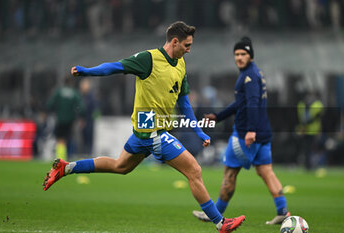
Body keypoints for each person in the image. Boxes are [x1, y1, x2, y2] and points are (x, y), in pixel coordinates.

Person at [42, 21, 245, 232]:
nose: (189, 49)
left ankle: (65, 168)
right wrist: (86, 71)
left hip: (146, 133)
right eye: (187, 45)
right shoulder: (148, 59)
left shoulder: (181, 64)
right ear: (174, 42)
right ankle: (221, 224)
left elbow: (183, 101)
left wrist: (198, 130)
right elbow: (115, 67)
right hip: (151, 131)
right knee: (194, 170)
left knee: (120, 166)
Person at [192, 37, 290, 225]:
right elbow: (240, 103)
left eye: (243, 54)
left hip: (245, 133)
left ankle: (215, 214)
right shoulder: (255, 73)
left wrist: (250, 131)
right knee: (266, 171)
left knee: (230, 173)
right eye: (236, 54)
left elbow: (252, 103)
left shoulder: (248, 76)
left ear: (250, 55)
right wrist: (219, 116)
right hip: (263, 133)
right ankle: (283, 211)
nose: (239, 57)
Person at [47, 77, 85, 160]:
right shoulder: (74, 93)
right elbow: (81, 106)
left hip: (60, 119)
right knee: (68, 138)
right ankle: (67, 157)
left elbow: (50, 104)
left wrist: (50, 112)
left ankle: (60, 158)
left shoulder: (59, 92)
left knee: (60, 139)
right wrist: (81, 117)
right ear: (71, 83)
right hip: (70, 120)